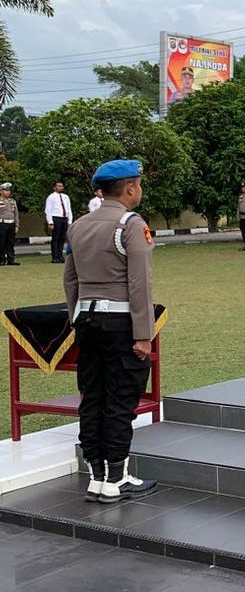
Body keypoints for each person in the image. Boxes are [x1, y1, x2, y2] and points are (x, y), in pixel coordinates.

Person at [64, 159, 158, 503]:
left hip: (86, 321)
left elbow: (70, 279)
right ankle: (117, 478)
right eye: (139, 185)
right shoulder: (130, 224)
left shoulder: (79, 225)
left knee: (93, 398)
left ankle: (96, 477)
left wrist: (76, 318)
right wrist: (143, 333)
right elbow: (140, 283)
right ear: (131, 188)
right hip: (120, 323)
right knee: (120, 399)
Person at [45, 180, 73, 263]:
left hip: (64, 218)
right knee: (55, 238)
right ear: (54, 187)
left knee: (62, 238)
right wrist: (50, 222)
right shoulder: (51, 197)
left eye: (62, 186)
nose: (61, 187)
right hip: (56, 218)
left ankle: (60, 256)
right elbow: (48, 210)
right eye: (59, 186)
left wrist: (69, 221)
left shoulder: (66, 197)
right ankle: (55, 256)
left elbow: (69, 209)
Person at [0, 182, 18, 266]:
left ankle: (11, 260)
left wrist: (17, 225)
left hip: (11, 224)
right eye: (5, 190)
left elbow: (16, 214)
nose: (7, 192)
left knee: (11, 243)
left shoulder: (13, 201)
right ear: (1, 191)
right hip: (2, 223)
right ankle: (1, 260)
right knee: (1, 242)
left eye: (9, 190)